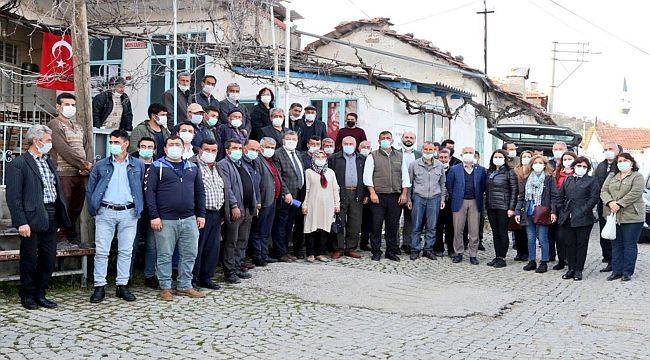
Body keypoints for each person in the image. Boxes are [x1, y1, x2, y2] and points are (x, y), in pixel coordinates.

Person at [6, 125, 71, 310]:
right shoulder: (19, 164)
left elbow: (55, 189)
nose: (50, 144)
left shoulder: (48, 161)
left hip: (50, 215)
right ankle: (27, 294)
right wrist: (21, 222)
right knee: (29, 258)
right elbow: (14, 197)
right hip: (31, 217)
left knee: (48, 258)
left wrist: (59, 215)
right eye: (48, 140)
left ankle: (41, 293)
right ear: (37, 141)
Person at [86, 130, 144, 303]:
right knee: (102, 251)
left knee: (126, 251)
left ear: (126, 144)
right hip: (105, 211)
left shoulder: (137, 165)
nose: (112, 145)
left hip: (129, 212)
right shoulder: (101, 165)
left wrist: (138, 208)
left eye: (116, 142)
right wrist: (94, 208)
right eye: (111, 142)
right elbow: (91, 189)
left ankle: (122, 285)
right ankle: (99, 286)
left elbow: (140, 188)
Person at [146, 135, 206, 301]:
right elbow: (150, 193)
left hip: (189, 219)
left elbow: (200, 192)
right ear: (165, 149)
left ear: (183, 147)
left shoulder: (192, 167)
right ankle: (165, 287)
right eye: (171, 144)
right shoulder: (156, 167)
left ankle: (184, 285)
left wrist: (201, 214)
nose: (174, 147)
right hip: (165, 220)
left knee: (189, 253)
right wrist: (154, 216)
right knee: (165, 254)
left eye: (177, 144)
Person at [47, 92, 92, 245]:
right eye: (67, 105)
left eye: (73, 105)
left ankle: (70, 234)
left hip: (80, 174)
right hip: (63, 173)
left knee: (76, 206)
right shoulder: (54, 124)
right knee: (63, 206)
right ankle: (60, 238)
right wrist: (84, 164)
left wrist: (86, 166)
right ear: (58, 107)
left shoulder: (78, 127)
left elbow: (86, 147)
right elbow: (63, 149)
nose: (70, 108)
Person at [363, 131, 410, 261]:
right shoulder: (372, 156)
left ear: (392, 140)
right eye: (382, 138)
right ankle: (376, 251)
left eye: (388, 138)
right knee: (376, 225)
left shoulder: (400, 156)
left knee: (392, 226)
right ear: (378, 141)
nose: (385, 140)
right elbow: (367, 176)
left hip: (395, 196)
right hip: (378, 196)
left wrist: (404, 194)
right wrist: (372, 193)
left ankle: (391, 251)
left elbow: (405, 177)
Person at [218, 139, 260, 283]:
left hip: (247, 208)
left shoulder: (241, 164)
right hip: (236, 209)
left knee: (242, 240)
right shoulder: (223, 165)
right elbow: (227, 188)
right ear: (227, 150)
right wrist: (234, 206)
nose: (237, 150)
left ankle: (237, 266)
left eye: (239, 148)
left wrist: (254, 204)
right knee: (231, 241)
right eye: (234, 148)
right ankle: (229, 271)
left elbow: (250, 185)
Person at [601, 153, 645, 282]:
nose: (622, 162)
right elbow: (603, 191)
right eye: (619, 161)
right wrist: (610, 202)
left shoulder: (637, 176)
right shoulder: (612, 176)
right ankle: (616, 271)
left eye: (625, 160)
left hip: (632, 216)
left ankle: (627, 272)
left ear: (631, 163)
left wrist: (620, 204)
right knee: (616, 244)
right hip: (614, 215)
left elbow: (635, 193)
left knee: (629, 244)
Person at [515, 155, 558, 274]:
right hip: (529, 211)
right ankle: (532, 260)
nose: (537, 165)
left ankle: (544, 261)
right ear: (531, 165)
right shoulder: (526, 178)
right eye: (535, 162)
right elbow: (521, 197)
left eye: (540, 162)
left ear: (544, 165)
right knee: (530, 238)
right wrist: (518, 211)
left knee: (543, 238)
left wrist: (553, 212)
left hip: (542, 212)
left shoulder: (549, 179)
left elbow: (554, 197)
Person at [557, 156, 599, 281]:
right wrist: (562, 211)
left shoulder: (592, 181)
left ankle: (578, 270)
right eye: (579, 166)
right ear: (574, 166)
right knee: (569, 244)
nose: (581, 168)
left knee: (581, 244)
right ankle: (571, 268)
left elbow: (593, 199)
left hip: (584, 218)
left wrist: (582, 211)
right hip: (568, 217)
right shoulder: (568, 180)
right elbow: (560, 197)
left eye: (584, 166)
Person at [192, 138, 225, 290]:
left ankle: (207, 277)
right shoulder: (193, 165)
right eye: (207, 150)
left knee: (212, 247)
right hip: (201, 213)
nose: (210, 153)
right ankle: (193, 278)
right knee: (197, 247)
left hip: (216, 213)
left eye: (213, 150)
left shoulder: (217, 167)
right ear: (200, 150)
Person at [446, 147, 487, 265]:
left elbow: (484, 185)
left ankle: (473, 255)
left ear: (475, 155)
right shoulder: (454, 169)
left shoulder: (481, 170)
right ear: (461, 154)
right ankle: (458, 253)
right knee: (458, 229)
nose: (468, 154)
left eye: (470, 153)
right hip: (459, 202)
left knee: (474, 230)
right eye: (466, 153)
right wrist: (456, 196)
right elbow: (449, 185)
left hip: (475, 202)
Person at [407, 141, 445, 260]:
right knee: (416, 225)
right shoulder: (414, 164)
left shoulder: (440, 165)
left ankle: (428, 250)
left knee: (432, 226)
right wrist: (408, 199)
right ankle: (415, 249)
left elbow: (443, 183)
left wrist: (442, 199)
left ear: (434, 151)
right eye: (426, 149)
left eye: (430, 150)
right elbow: (409, 183)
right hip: (418, 198)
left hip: (434, 198)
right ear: (422, 150)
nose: (428, 152)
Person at [329, 136, 366, 259]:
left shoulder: (362, 159)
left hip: (357, 194)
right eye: (346, 143)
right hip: (340, 194)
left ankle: (351, 248)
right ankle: (338, 248)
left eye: (351, 143)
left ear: (356, 145)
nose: (348, 145)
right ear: (342, 144)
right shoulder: (334, 158)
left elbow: (366, 178)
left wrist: (365, 194)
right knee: (339, 222)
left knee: (355, 223)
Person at [271, 131, 304, 262]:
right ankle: (280, 252)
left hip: (298, 194)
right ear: (283, 140)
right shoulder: (278, 154)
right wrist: (286, 192)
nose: (291, 141)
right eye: (288, 139)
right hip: (286, 195)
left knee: (289, 224)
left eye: (294, 139)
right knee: (281, 223)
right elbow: (279, 176)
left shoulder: (298, 153)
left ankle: (285, 250)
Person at [302, 150, 340, 262]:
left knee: (324, 228)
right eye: (318, 157)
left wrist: (336, 204)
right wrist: (304, 205)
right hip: (313, 204)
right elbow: (307, 190)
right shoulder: (308, 172)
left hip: (327, 205)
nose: (320, 159)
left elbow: (335, 189)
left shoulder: (330, 172)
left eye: (322, 156)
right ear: (313, 158)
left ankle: (321, 253)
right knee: (311, 228)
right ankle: (310, 253)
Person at [249, 137, 282, 266]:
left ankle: (264, 254)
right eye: (267, 147)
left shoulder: (270, 161)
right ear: (261, 148)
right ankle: (258, 256)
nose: (270, 150)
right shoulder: (258, 160)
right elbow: (256, 182)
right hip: (263, 200)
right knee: (259, 230)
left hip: (272, 199)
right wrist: (257, 200)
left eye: (272, 148)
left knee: (266, 230)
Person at [130, 137, 158, 289]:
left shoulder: (159, 165)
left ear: (154, 149)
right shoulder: (131, 164)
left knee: (152, 246)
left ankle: (149, 276)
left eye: (149, 147)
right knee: (131, 246)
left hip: (153, 212)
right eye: (143, 146)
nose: (146, 149)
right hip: (134, 211)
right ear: (138, 148)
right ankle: (126, 277)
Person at [484, 149, 517, 268]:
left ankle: (502, 258)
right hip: (491, 205)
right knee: (495, 232)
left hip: (504, 206)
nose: (497, 159)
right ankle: (497, 256)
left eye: (500, 157)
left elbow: (514, 191)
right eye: (495, 157)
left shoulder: (510, 172)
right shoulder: (490, 171)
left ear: (505, 159)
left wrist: (511, 208)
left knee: (502, 232)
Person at [594, 142, 620, 272]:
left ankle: (615, 261)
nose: (608, 151)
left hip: (617, 205)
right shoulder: (600, 166)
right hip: (602, 204)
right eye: (605, 149)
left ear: (617, 150)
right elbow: (595, 184)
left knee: (615, 234)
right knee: (604, 232)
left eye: (610, 149)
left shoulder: (621, 163)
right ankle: (608, 258)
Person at [551, 151, 578, 270]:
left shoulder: (577, 174)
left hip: (572, 209)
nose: (567, 161)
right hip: (558, 207)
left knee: (570, 236)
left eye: (570, 159)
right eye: (565, 159)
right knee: (559, 236)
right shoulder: (557, 173)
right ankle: (561, 259)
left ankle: (570, 258)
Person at [399, 131, 421, 254]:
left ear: (414, 140)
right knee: (395, 218)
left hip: (414, 190)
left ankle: (407, 243)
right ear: (402, 139)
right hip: (398, 189)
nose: (408, 139)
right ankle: (395, 244)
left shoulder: (419, 154)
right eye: (406, 137)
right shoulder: (395, 153)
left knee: (410, 218)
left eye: (411, 138)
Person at [512, 150, 533, 261]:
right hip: (517, 200)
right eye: (524, 156)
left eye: (529, 156)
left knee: (526, 229)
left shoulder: (533, 170)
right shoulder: (515, 170)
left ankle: (527, 252)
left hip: (528, 201)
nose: (526, 158)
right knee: (517, 228)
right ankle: (519, 252)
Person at [433, 149, 455, 257]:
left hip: (450, 202)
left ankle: (451, 249)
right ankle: (438, 248)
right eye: (441, 157)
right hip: (437, 201)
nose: (443, 159)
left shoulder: (454, 170)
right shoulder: (434, 170)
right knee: (438, 226)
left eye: (445, 157)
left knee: (451, 226)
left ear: (449, 158)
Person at [358, 140, 373, 251]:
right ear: (359, 148)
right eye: (363, 147)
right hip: (356, 193)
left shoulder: (373, 159)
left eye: (368, 147)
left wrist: (368, 194)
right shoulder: (356, 158)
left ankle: (364, 241)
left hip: (369, 194)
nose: (366, 149)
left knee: (367, 220)